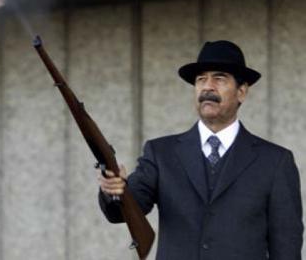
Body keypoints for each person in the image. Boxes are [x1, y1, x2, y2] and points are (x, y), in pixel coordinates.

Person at [98, 40, 303, 260]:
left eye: (219, 78)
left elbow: (287, 246)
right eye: (201, 79)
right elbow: (125, 210)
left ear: (241, 92)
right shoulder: (160, 154)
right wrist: (114, 191)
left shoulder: (275, 161)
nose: (207, 86)